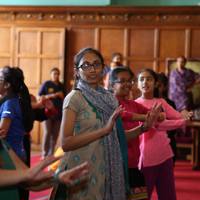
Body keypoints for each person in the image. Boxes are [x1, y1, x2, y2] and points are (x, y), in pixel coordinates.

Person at [50, 47, 128, 200]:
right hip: (82, 171)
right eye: (86, 65)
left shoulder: (109, 99)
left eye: (96, 64)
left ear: (103, 68)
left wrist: (144, 127)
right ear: (77, 71)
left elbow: (118, 136)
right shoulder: (74, 98)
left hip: (107, 168)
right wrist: (103, 131)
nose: (92, 69)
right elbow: (65, 143)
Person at [109, 67, 166, 200]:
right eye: (122, 81)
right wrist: (145, 118)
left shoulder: (132, 104)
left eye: (129, 81)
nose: (127, 84)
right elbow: (124, 115)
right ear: (112, 84)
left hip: (134, 163)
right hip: (116, 164)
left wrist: (158, 114)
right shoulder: (110, 103)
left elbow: (152, 113)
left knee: (139, 197)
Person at [135, 68, 190, 200]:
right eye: (142, 79)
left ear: (155, 83)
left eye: (149, 79)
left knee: (168, 196)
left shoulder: (161, 102)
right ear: (137, 84)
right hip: (144, 159)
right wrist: (182, 122)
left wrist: (185, 115)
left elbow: (177, 116)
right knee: (142, 197)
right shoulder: (135, 104)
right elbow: (158, 125)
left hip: (165, 156)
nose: (145, 82)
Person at [0, 137, 90, 200]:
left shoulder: (3, 144)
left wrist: (58, 178)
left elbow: (29, 182)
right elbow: (27, 175)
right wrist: (28, 174)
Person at [38, 67, 65, 158]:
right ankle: (44, 153)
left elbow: (66, 98)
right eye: (54, 74)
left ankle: (51, 154)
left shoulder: (61, 86)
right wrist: (53, 95)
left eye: (57, 74)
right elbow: (40, 97)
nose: (56, 75)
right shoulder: (46, 84)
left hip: (58, 114)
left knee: (55, 134)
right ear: (51, 75)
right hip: (47, 113)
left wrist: (62, 96)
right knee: (47, 132)